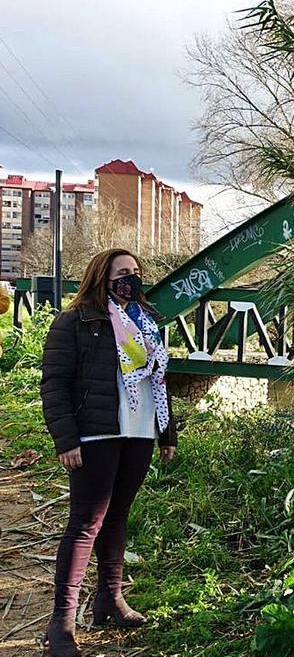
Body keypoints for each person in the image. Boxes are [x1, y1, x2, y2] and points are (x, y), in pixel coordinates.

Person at [40, 248, 177, 657]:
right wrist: (66, 440)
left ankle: (109, 600)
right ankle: (60, 624)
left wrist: (167, 433)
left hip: (138, 431)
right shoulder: (74, 321)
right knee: (85, 523)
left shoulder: (146, 321)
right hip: (97, 433)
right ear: (102, 276)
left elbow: (159, 381)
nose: (131, 279)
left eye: (136, 272)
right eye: (122, 273)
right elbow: (54, 384)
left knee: (117, 517)